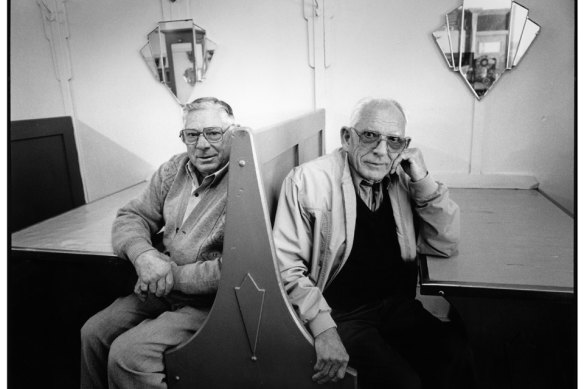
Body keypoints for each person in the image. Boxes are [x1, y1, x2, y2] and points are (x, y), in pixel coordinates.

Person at [273, 98, 475, 388]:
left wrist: (423, 181)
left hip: (394, 306)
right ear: (347, 137)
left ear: (404, 147)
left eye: (394, 141)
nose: (381, 151)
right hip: (340, 314)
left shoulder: (403, 178)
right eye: (370, 136)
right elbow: (286, 268)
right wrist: (323, 329)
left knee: (455, 353)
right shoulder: (307, 181)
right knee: (401, 382)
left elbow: (445, 243)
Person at [80, 97, 237, 389]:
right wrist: (144, 258)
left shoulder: (244, 179)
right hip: (161, 290)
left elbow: (236, 268)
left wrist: (167, 275)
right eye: (192, 134)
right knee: (93, 332)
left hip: (211, 304)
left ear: (233, 132)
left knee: (128, 355)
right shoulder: (173, 169)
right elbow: (132, 216)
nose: (202, 144)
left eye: (213, 133)